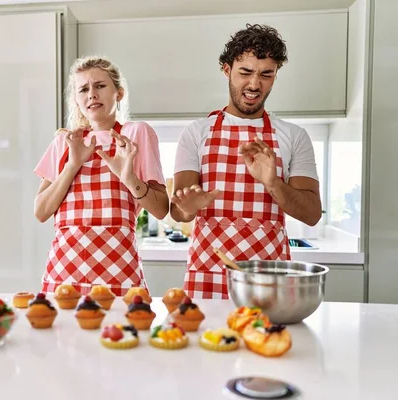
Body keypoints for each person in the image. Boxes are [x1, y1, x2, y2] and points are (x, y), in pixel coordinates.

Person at [170, 24, 322, 299]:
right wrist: (188, 207)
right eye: (245, 72)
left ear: (275, 76)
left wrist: (273, 182)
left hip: (268, 277)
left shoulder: (294, 136)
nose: (254, 84)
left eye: (266, 74)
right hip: (208, 272)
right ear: (226, 69)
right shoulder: (196, 133)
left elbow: (311, 214)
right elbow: (179, 212)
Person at [34, 56, 169, 296]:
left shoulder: (135, 134)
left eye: (100, 86)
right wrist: (73, 164)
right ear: (76, 99)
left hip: (119, 272)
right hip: (64, 274)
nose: (92, 94)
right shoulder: (65, 142)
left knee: (123, 334)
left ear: (119, 93)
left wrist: (128, 178)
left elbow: (160, 209)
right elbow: (41, 211)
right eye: (83, 89)